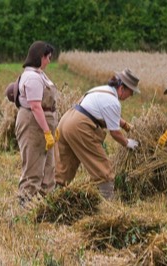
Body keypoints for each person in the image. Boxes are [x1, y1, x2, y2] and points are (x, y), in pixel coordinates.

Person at [55, 68, 140, 199]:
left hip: (66, 121)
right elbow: (115, 133)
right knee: (102, 168)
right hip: (80, 126)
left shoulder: (101, 90)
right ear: (122, 88)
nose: (131, 96)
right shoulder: (113, 102)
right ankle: (107, 203)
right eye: (131, 92)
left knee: (64, 166)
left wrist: (126, 126)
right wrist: (128, 143)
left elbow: (107, 113)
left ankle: (53, 197)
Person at [15, 41, 58, 206]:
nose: (49, 61)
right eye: (48, 58)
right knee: (33, 168)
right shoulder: (31, 77)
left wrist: (55, 127)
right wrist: (47, 131)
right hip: (33, 125)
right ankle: (24, 206)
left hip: (43, 125)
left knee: (48, 168)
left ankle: (45, 207)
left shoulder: (39, 74)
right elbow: (35, 106)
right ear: (40, 57)